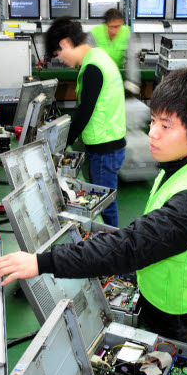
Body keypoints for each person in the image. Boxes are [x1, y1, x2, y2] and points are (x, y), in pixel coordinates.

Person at [0, 68, 187, 348]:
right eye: (152, 121)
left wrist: (42, 262)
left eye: (165, 126)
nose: (152, 133)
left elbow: (130, 246)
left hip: (179, 318)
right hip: (178, 294)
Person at [45, 16, 126, 227]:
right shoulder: (97, 57)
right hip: (109, 144)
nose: (61, 60)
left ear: (65, 43)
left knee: (104, 207)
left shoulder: (93, 67)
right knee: (105, 203)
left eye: (58, 54)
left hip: (105, 148)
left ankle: (112, 250)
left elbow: (84, 112)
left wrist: (61, 143)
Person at [88, 8, 140, 96]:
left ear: (122, 22)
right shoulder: (94, 33)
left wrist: (132, 80)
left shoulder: (127, 32)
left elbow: (131, 59)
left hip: (115, 78)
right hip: (96, 76)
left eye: (118, 26)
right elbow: (88, 60)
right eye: (111, 27)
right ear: (106, 24)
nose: (114, 31)